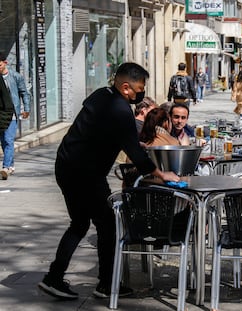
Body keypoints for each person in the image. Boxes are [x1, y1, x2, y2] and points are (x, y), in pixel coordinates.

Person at [38, 63, 180, 300]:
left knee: (79, 224)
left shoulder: (101, 96)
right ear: (126, 87)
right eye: (139, 89)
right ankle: (106, 284)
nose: (141, 93)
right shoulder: (120, 109)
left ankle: (54, 277)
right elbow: (134, 152)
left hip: (66, 166)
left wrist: (135, 145)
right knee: (107, 225)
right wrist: (162, 174)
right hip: (86, 174)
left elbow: (108, 134)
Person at [0, 52, 31, 180]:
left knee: (8, 140)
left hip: (12, 113)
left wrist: (27, 109)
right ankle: (11, 165)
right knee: (3, 141)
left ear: (5, 63)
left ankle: (6, 167)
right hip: (0, 113)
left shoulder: (15, 76)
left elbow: (24, 93)